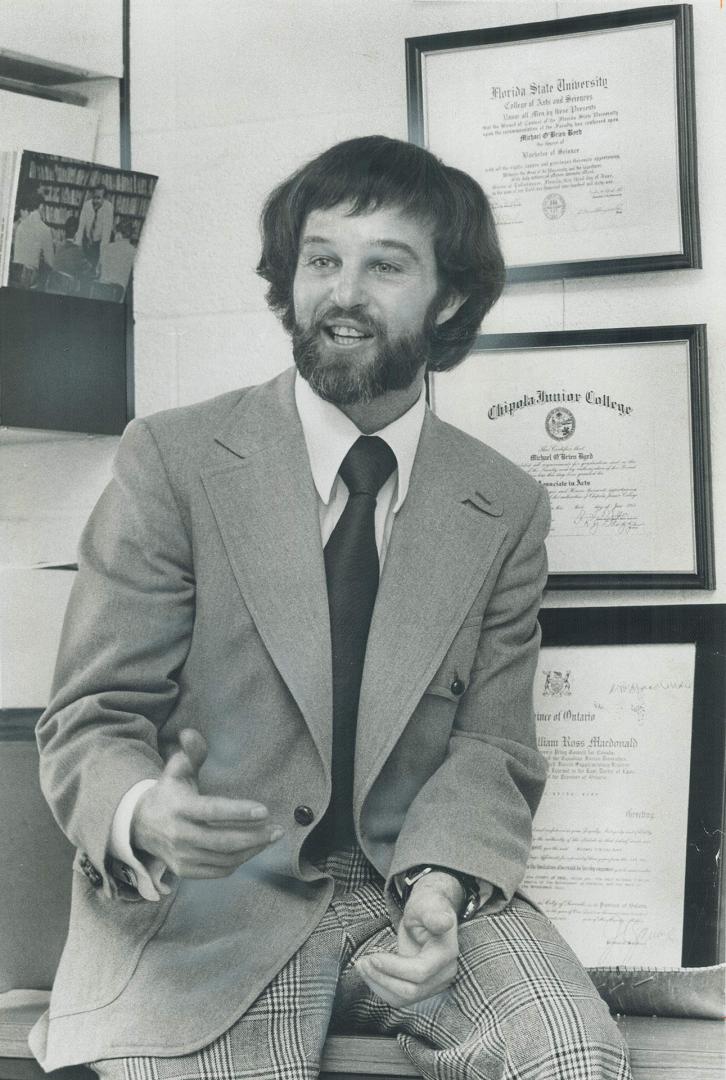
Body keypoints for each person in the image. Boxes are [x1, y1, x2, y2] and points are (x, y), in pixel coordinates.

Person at [31, 136, 632, 1080]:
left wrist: (442, 885)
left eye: (384, 265)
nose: (342, 293)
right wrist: (145, 812)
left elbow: (493, 748)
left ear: (452, 299)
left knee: (571, 1054)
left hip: (409, 889)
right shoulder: (174, 462)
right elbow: (90, 718)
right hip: (209, 903)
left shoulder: (506, 504)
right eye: (321, 261)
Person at [11, 190, 54, 287]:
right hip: (30, 278)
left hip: (15, 274)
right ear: (41, 206)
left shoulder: (20, 225)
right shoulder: (45, 229)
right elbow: (50, 262)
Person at [74, 183, 114, 269]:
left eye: (98, 198)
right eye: (94, 197)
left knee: (95, 268)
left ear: (104, 198)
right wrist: (77, 249)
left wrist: (101, 260)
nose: (95, 201)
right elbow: (80, 229)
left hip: (99, 244)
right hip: (87, 241)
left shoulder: (109, 208)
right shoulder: (86, 205)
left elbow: (106, 236)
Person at [52, 215, 94, 288]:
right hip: (68, 290)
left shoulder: (59, 247)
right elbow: (90, 270)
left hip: (55, 288)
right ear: (77, 234)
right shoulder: (77, 251)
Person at [97, 217, 136, 296]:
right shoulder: (134, 252)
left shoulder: (106, 248)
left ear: (118, 235)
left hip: (100, 292)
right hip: (118, 296)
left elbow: (98, 270)